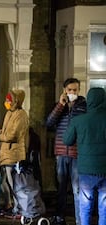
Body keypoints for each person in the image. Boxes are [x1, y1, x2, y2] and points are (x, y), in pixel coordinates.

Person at [63, 87, 106, 225]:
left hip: (85, 170)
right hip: (105, 169)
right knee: (104, 206)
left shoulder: (79, 120)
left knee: (85, 205)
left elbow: (67, 140)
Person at [46, 78, 86, 225]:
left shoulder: (84, 106)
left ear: (79, 90)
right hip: (61, 153)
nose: (72, 92)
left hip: (77, 153)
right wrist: (60, 105)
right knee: (61, 187)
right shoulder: (59, 106)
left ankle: (79, 219)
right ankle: (59, 216)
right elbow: (49, 123)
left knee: (77, 188)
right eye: (70, 90)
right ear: (65, 90)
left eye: (75, 90)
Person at [0, 89, 29, 218]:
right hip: (5, 153)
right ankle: (10, 205)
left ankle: (19, 208)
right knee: (3, 181)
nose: (7, 102)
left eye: (10, 100)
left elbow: (12, 135)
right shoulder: (10, 113)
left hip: (14, 153)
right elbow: (6, 131)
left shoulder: (21, 115)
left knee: (13, 182)